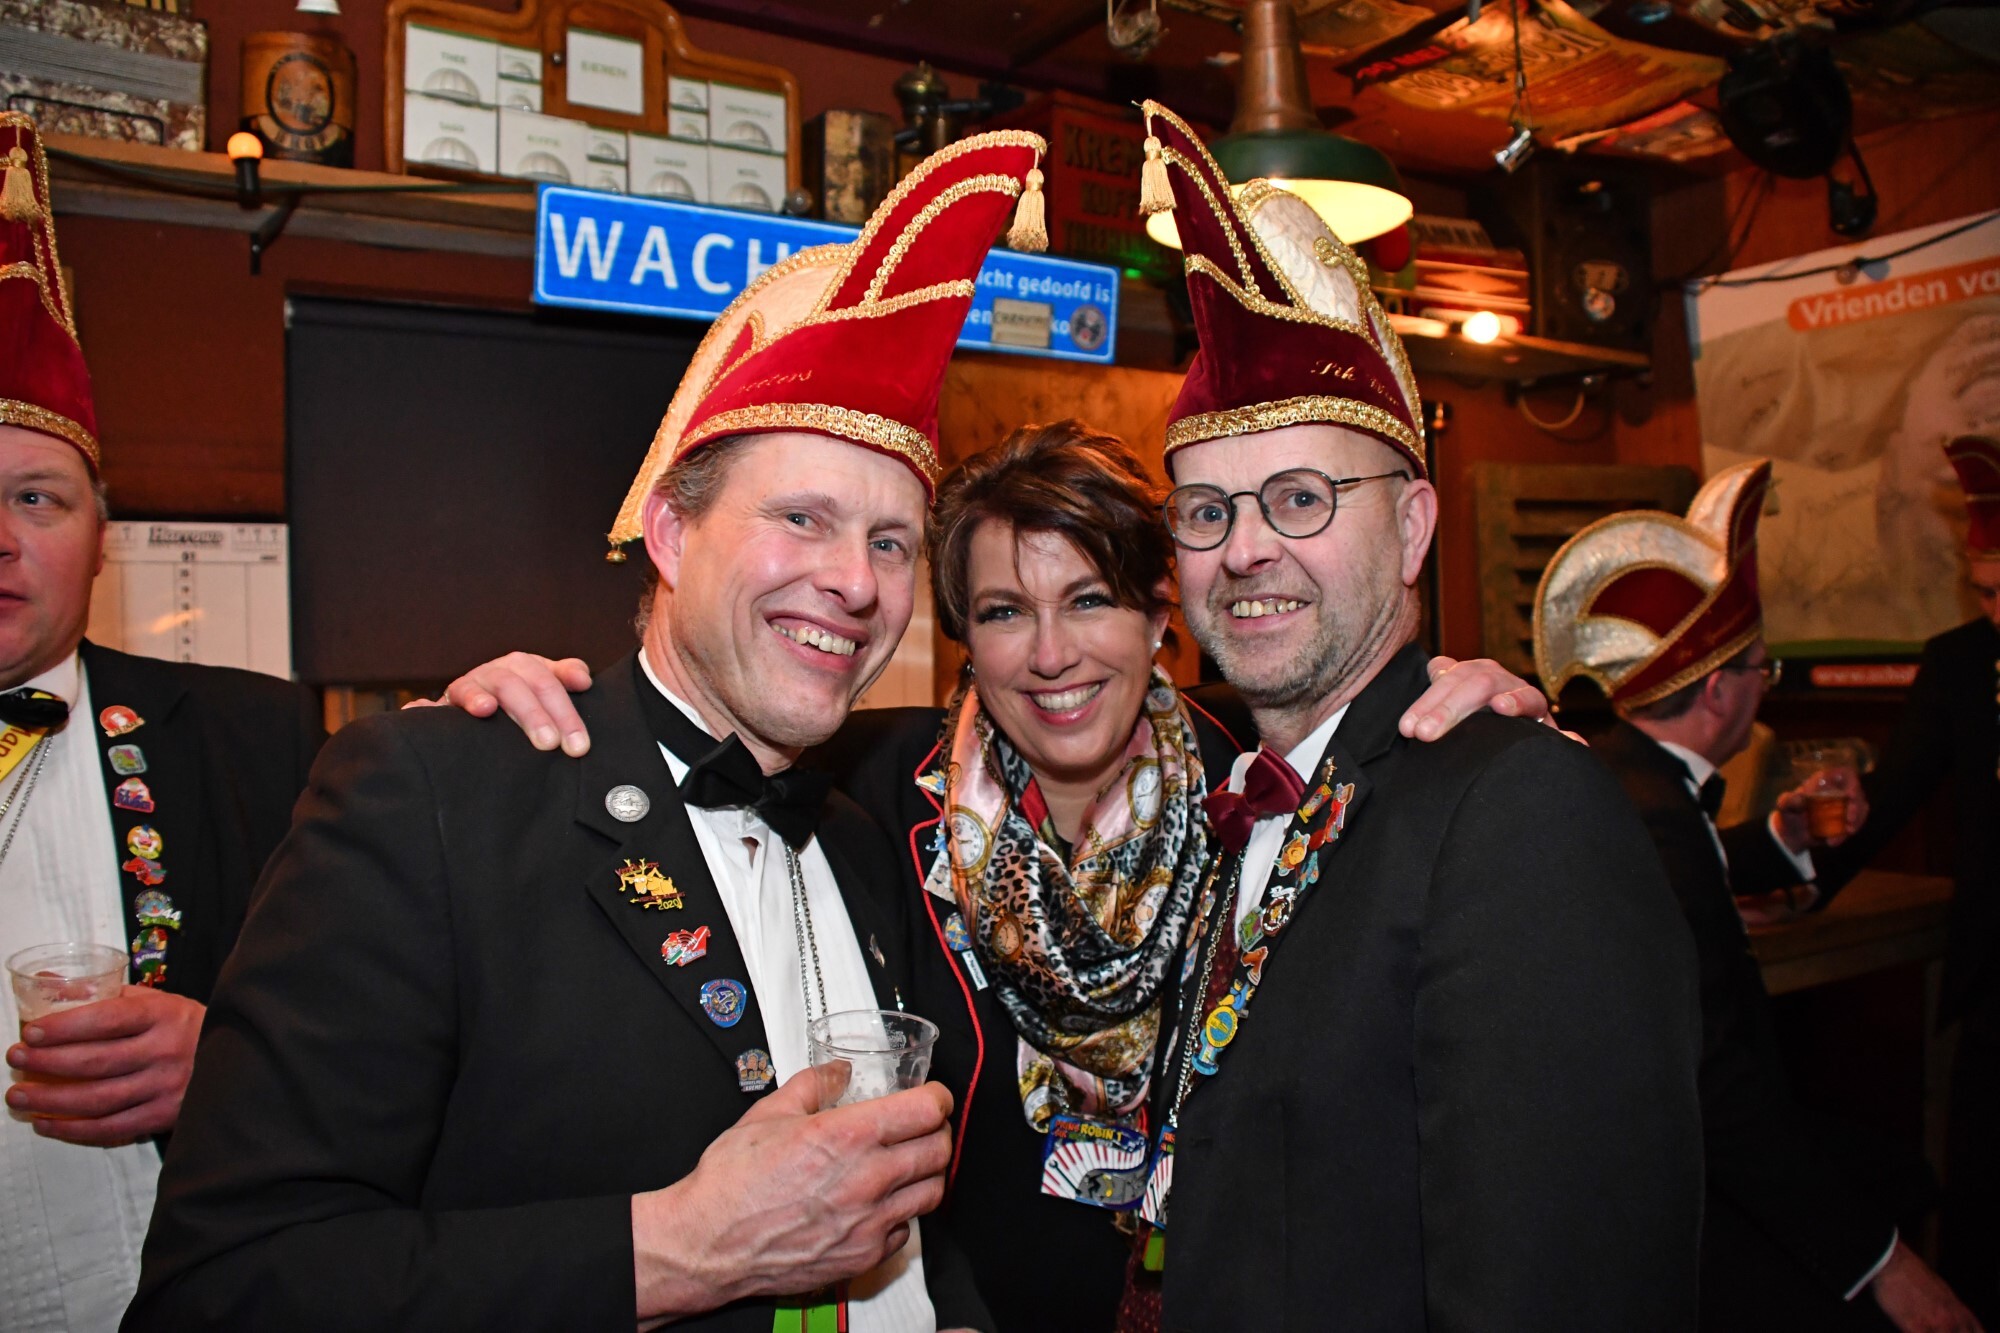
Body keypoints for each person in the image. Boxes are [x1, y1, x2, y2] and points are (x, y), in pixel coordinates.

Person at [125, 130, 1059, 1333]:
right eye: (801, 518)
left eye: (888, 542)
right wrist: (678, 1251)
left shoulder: (864, 834)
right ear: (670, 533)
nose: (855, 581)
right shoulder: (432, 799)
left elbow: (918, 1235)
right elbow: (224, 1287)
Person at [441, 420, 1554, 1331]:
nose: (1051, 654)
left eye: (1090, 600)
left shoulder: (1262, 789)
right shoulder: (870, 791)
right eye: (1004, 612)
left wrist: (1464, 711)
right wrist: (527, 718)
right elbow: (698, 733)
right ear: (963, 640)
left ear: (1158, 617)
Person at [1096, 100, 1703, 1329]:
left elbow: (1565, 1289)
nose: (1244, 550)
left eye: (1301, 497)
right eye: (1205, 511)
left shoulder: (1518, 811)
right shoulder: (1232, 797)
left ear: (1413, 525)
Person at [0, 112, 324, 1333]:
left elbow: (390, 1041)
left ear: (103, 537)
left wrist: (234, 1061)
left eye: (37, 498)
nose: (0, 538)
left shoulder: (253, 738)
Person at [1535, 459, 1981, 1333]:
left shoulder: (1631, 775)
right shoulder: (1659, 823)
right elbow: (1719, 1087)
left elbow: (1686, 862)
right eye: (1761, 670)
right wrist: (1881, 1262)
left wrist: (1784, 838)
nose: (1764, 685)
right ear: (1718, 691)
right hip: (1668, 1193)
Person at [1814, 433, 2000, 1326]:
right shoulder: (1962, 663)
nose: (1996, 610)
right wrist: (1796, 874)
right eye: (1986, 591)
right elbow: (1883, 806)